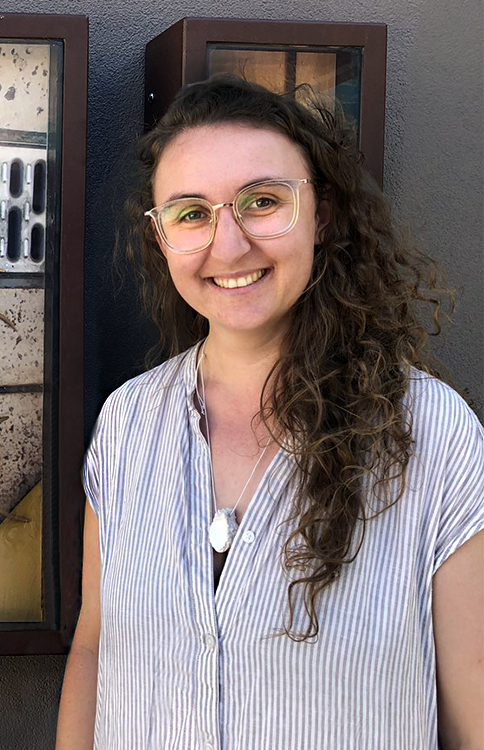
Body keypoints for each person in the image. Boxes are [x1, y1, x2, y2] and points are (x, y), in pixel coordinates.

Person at [55, 75, 484, 749]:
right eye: (191, 213)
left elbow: (472, 706)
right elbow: (93, 648)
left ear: (324, 215)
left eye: (262, 201)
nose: (228, 247)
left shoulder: (434, 435)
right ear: (160, 237)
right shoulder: (127, 425)